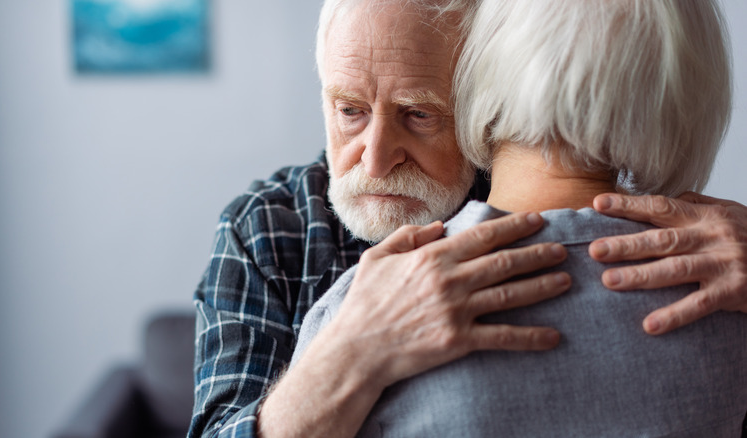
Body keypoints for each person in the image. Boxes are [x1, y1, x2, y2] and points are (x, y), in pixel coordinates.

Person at [189, 1, 747, 437]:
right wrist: (349, 353)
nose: (377, 157)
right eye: (350, 110)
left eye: (419, 114)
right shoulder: (267, 225)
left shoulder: (543, 181)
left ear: (488, 94)